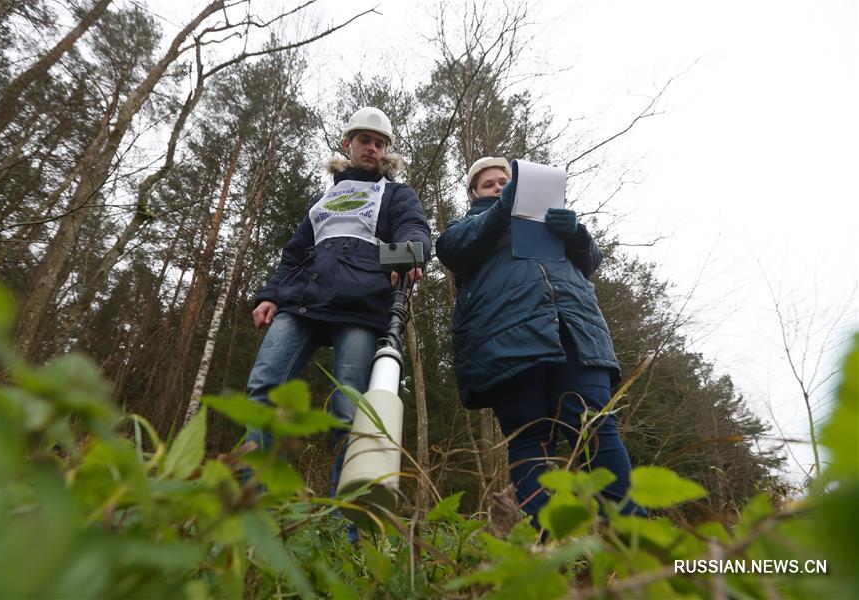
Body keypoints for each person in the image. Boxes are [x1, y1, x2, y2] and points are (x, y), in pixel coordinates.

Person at [436, 156, 644, 531]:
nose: (499, 186)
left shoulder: (548, 216)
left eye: (504, 180)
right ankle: (543, 540)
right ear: (473, 194)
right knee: (530, 437)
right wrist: (502, 209)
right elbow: (451, 249)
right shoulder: (467, 225)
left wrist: (577, 233)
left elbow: (590, 260)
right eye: (489, 184)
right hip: (507, 339)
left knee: (594, 427)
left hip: (575, 330)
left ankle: (631, 534)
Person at [246, 107, 430, 496]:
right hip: (301, 302)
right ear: (348, 143)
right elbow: (294, 254)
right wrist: (269, 295)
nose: (372, 148)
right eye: (365, 140)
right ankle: (252, 503)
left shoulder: (396, 193)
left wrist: (413, 252)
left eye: (380, 143)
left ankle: (344, 523)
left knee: (350, 407)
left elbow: (414, 226)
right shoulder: (324, 200)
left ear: (386, 151)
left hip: (362, 305)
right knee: (265, 389)